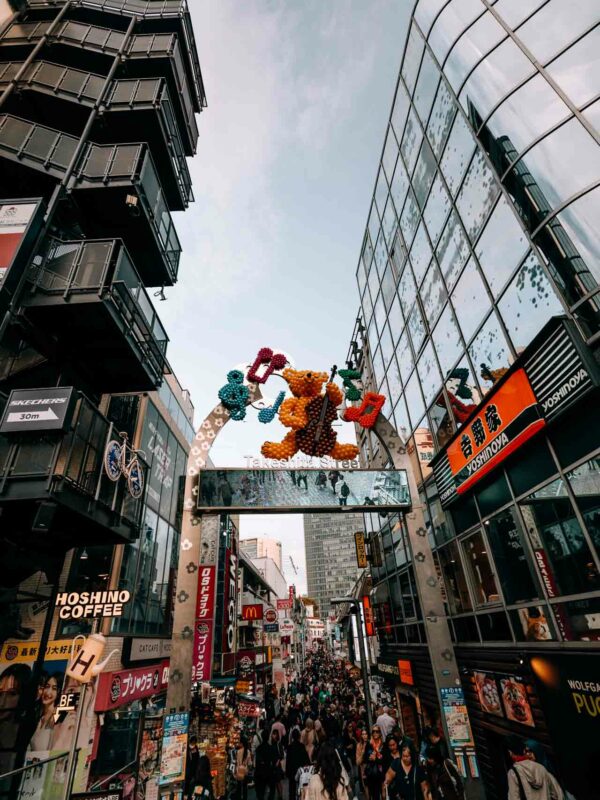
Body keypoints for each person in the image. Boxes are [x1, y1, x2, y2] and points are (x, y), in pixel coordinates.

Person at [506, 735, 563, 800]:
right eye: (526, 751)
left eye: (530, 751)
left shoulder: (514, 772)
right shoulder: (542, 768)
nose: (528, 754)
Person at [29, 671, 61, 751]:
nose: (48, 692)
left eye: (54, 688)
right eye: (47, 686)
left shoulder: (57, 715)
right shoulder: (38, 717)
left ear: (59, 692)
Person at [287, 728, 311, 800]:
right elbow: (306, 758)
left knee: (292, 789)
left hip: (292, 770)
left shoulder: (289, 747)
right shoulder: (301, 746)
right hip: (301, 770)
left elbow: (288, 761)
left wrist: (287, 771)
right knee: (301, 788)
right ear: (299, 736)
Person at [254, 731, 278, 800]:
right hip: (269, 771)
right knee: (272, 789)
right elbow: (274, 761)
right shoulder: (271, 748)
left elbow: (257, 762)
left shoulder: (259, 749)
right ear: (268, 738)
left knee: (261, 791)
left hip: (261, 772)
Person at [364, 725, 385, 800]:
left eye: (377, 731)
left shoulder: (383, 745)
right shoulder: (369, 745)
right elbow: (366, 759)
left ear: (380, 733)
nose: (375, 733)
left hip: (382, 774)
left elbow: (384, 760)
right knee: (375, 796)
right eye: (373, 732)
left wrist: (375, 759)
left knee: (383, 795)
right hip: (372, 774)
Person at [356, 727, 369, 796]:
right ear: (361, 736)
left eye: (366, 734)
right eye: (363, 734)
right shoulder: (359, 745)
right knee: (366, 789)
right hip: (364, 770)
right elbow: (357, 762)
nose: (364, 736)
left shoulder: (371, 743)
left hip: (373, 769)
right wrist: (363, 751)